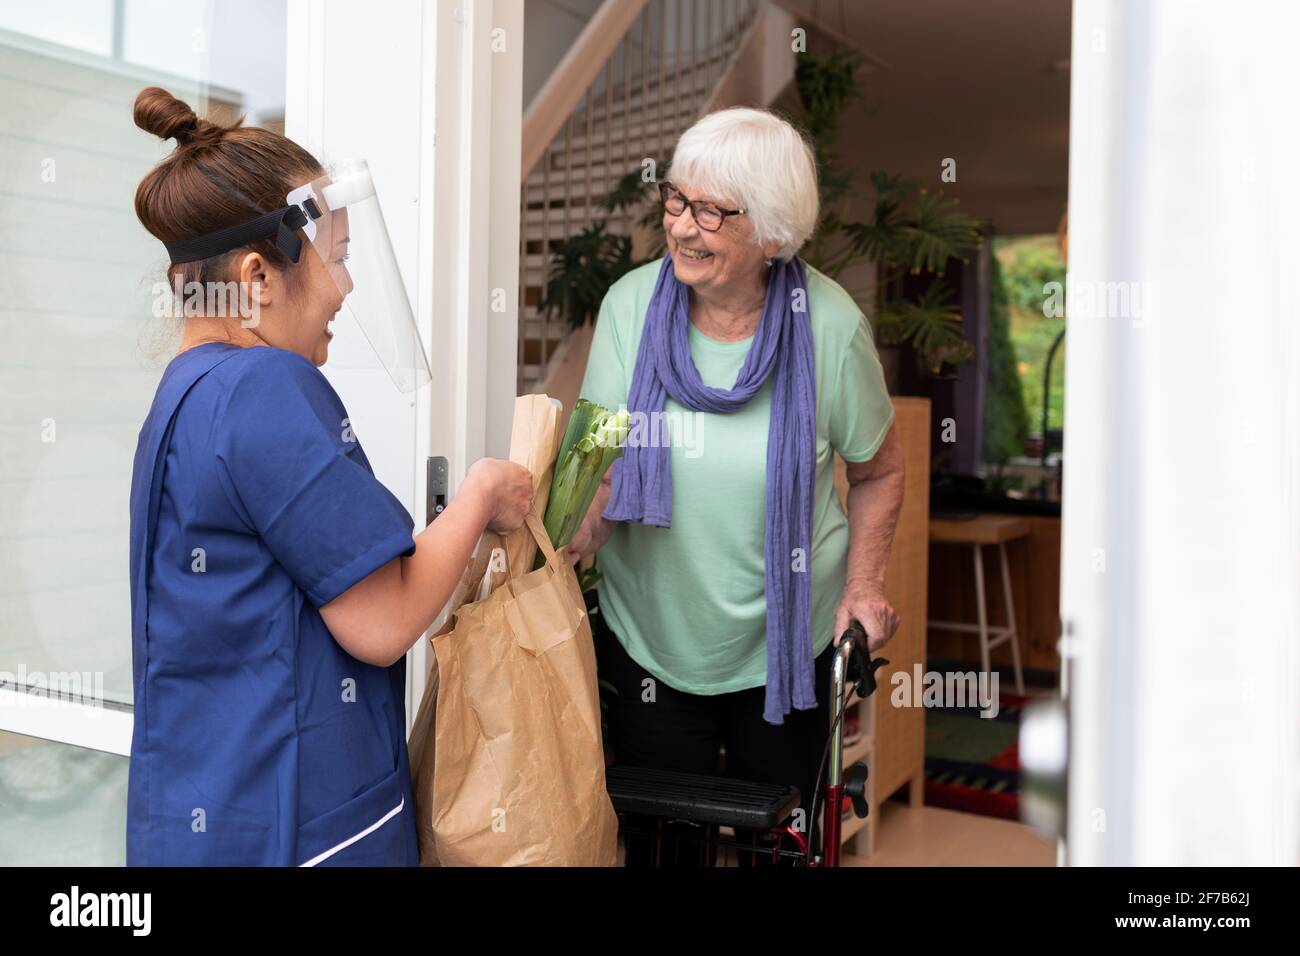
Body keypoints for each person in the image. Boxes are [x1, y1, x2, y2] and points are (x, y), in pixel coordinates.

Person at [126, 87, 532, 866]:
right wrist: (479, 493)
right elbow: (381, 623)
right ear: (257, 276)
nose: (344, 290)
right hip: (305, 831)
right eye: (336, 261)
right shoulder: (264, 388)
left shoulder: (179, 399)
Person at [567, 107, 906, 864]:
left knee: (775, 848)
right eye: (678, 201)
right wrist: (569, 532)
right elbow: (595, 458)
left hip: (788, 647)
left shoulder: (829, 326)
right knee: (662, 845)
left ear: (775, 233)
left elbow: (879, 470)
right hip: (651, 638)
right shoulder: (630, 306)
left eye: (713, 212)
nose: (683, 228)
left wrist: (865, 584)